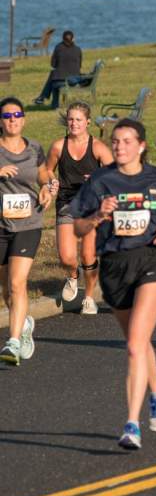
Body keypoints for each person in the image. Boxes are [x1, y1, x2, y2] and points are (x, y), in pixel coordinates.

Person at [71, 119, 156, 449]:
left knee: (134, 345)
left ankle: (131, 424)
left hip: (153, 262)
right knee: (138, 342)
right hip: (114, 267)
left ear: (141, 146)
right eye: (115, 141)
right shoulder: (101, 180)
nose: (119, 146)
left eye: (127, 141)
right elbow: (79, 229)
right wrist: (98, 215)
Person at [0, 97, 54, 365]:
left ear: (24, 118)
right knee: (6, 290)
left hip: (28, 223)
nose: (12, 119)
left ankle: (11, 342)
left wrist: (47, 187)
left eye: (17, 114)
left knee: (17, 282)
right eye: (7, 116)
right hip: (1, 226)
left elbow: (44, 174)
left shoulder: (34, 148)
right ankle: (24, 326)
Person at [46, 102, 113, 314]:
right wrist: (51, 181)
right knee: (67, 257)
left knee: (88, 256)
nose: (74, 123)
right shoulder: (58, 146)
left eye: (78, 119)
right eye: (71, 119)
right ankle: (73, 276)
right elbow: (47, 170)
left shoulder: (98, 147)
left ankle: (89, 297)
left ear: (88, 122)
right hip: (66, 203)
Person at [33, 30, 84, 109]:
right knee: (53, 76)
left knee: (53, 77)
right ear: (73, 39)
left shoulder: (58, 48)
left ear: (62, 39)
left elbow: (53, 64)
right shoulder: (78, 49)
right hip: (74, 79)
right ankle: (42, 97)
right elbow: (79, 65)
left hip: (61, 80)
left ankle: (48, 100)